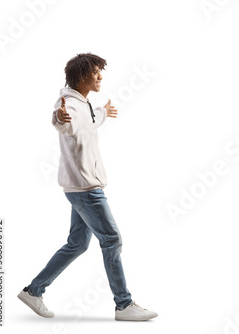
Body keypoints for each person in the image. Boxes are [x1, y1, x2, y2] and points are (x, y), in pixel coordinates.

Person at [18, 53, 157, 321]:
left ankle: (33, 292)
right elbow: (64, 123)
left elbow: (89, 121)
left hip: (78, 187)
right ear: (82, 77)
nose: (100, 76)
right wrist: (58, 117)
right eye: (96, 73)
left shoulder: (84, 104)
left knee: (78, 244)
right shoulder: (69, 105)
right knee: (112, 239)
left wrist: (104, 111)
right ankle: (124, 305)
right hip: (86, 190)